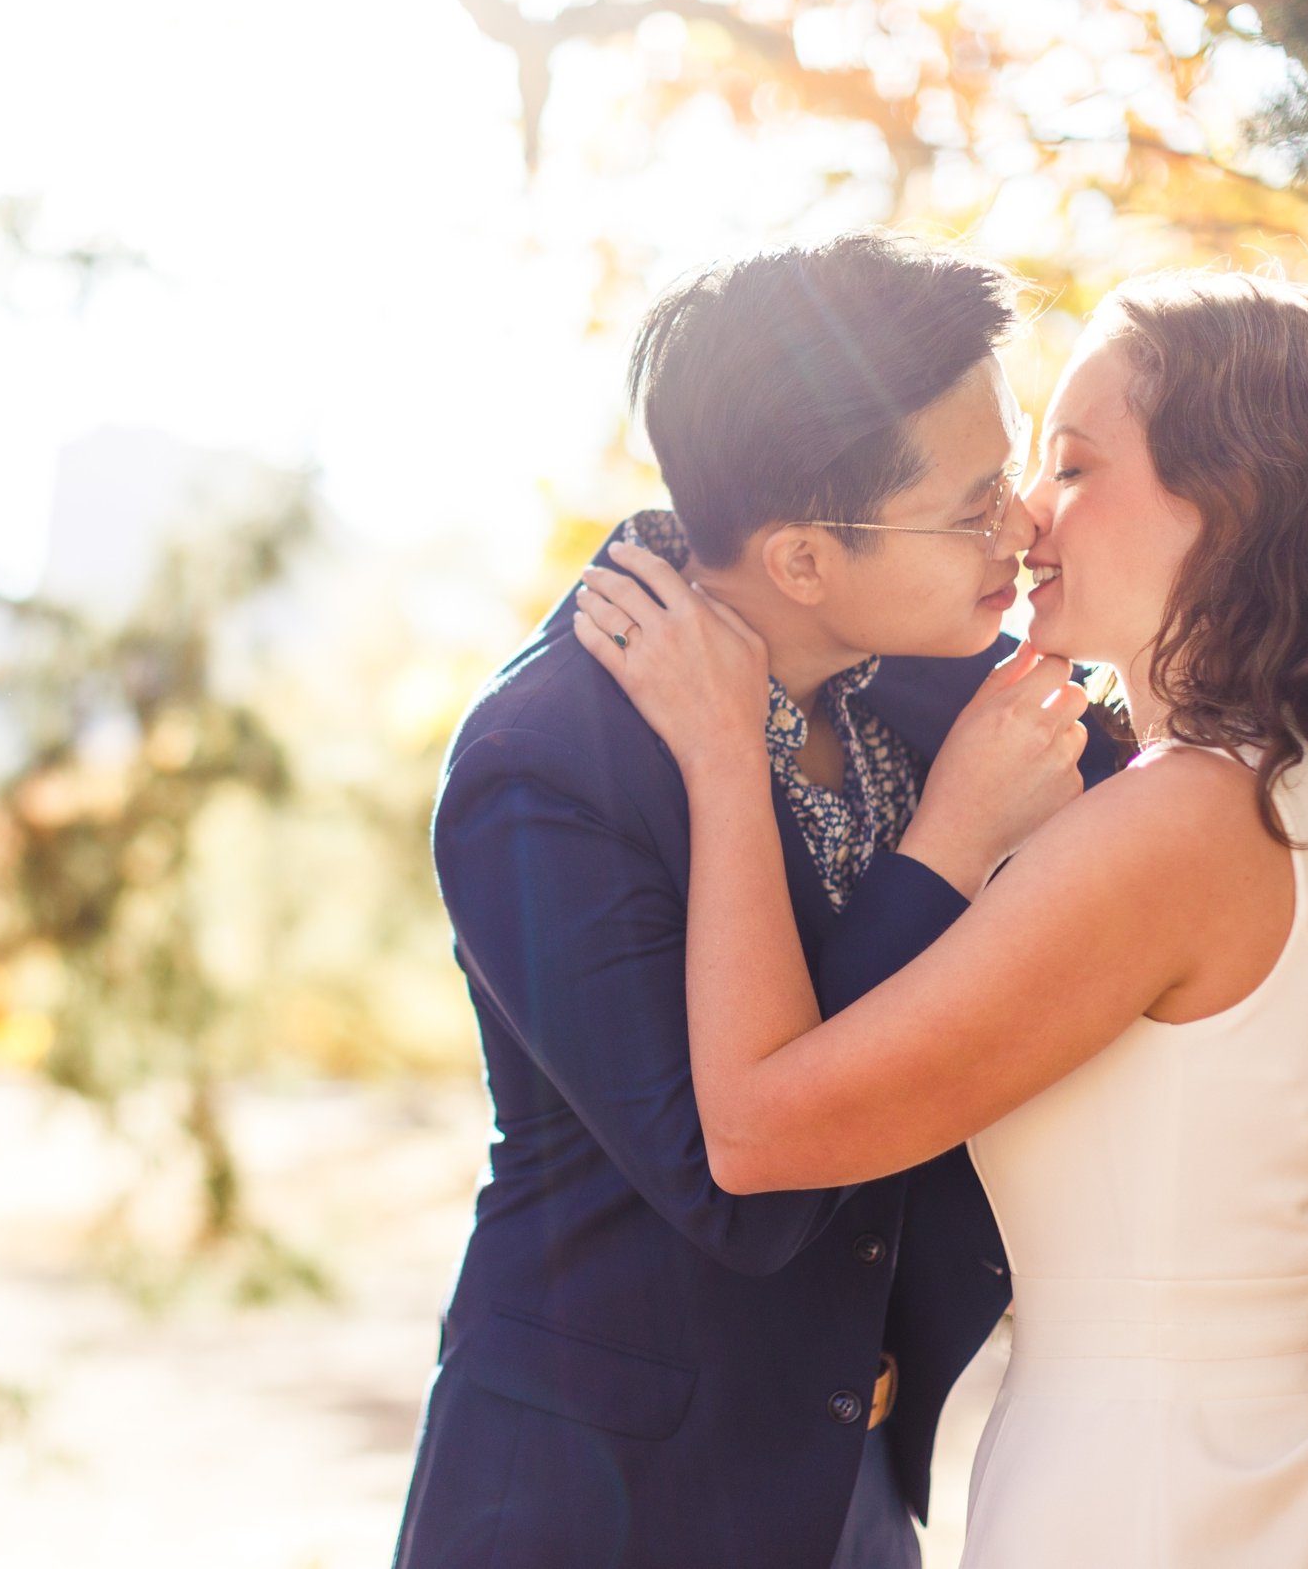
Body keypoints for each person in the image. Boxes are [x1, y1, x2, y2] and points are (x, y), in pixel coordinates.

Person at [573, 270, 1308, 1568]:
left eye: (1076, 465)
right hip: (1246, 1478)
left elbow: (757, 1127)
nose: (1028, 510)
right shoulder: (1305, 780)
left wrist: (719, 746)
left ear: (1240, 497)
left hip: (1147, 1504)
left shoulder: (1179, 828)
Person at [391, 230, 1118, 1569]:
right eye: (973, 506)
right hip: (603, 1496)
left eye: (1013, 471)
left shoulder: (929, 669)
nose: (1019, 528)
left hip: (851, 1467)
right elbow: (752, 1188)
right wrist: (949, 838)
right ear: (798, 559)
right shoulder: (542, 770)